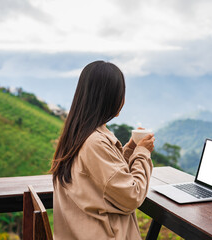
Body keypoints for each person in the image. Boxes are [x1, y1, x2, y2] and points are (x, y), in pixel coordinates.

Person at [50, 61, 155, 239]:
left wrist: (130, 150)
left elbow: (101, 179)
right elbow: (132, 195)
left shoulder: (77, 134)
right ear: (110, 98)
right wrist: (143, 154)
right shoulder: (95, 142)